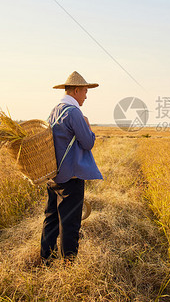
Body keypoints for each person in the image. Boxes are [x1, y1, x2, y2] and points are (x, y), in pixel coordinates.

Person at [40, 71, 103, 263]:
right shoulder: (75, 112)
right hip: (72, 177)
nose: (86, 95)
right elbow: (88, 142)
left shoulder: (55, 110)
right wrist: (88, 125)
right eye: (85, 91)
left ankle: (46, 260)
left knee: (51, 219)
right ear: (76, 90)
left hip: (54, 174)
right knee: (70, 223)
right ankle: (68, 265)